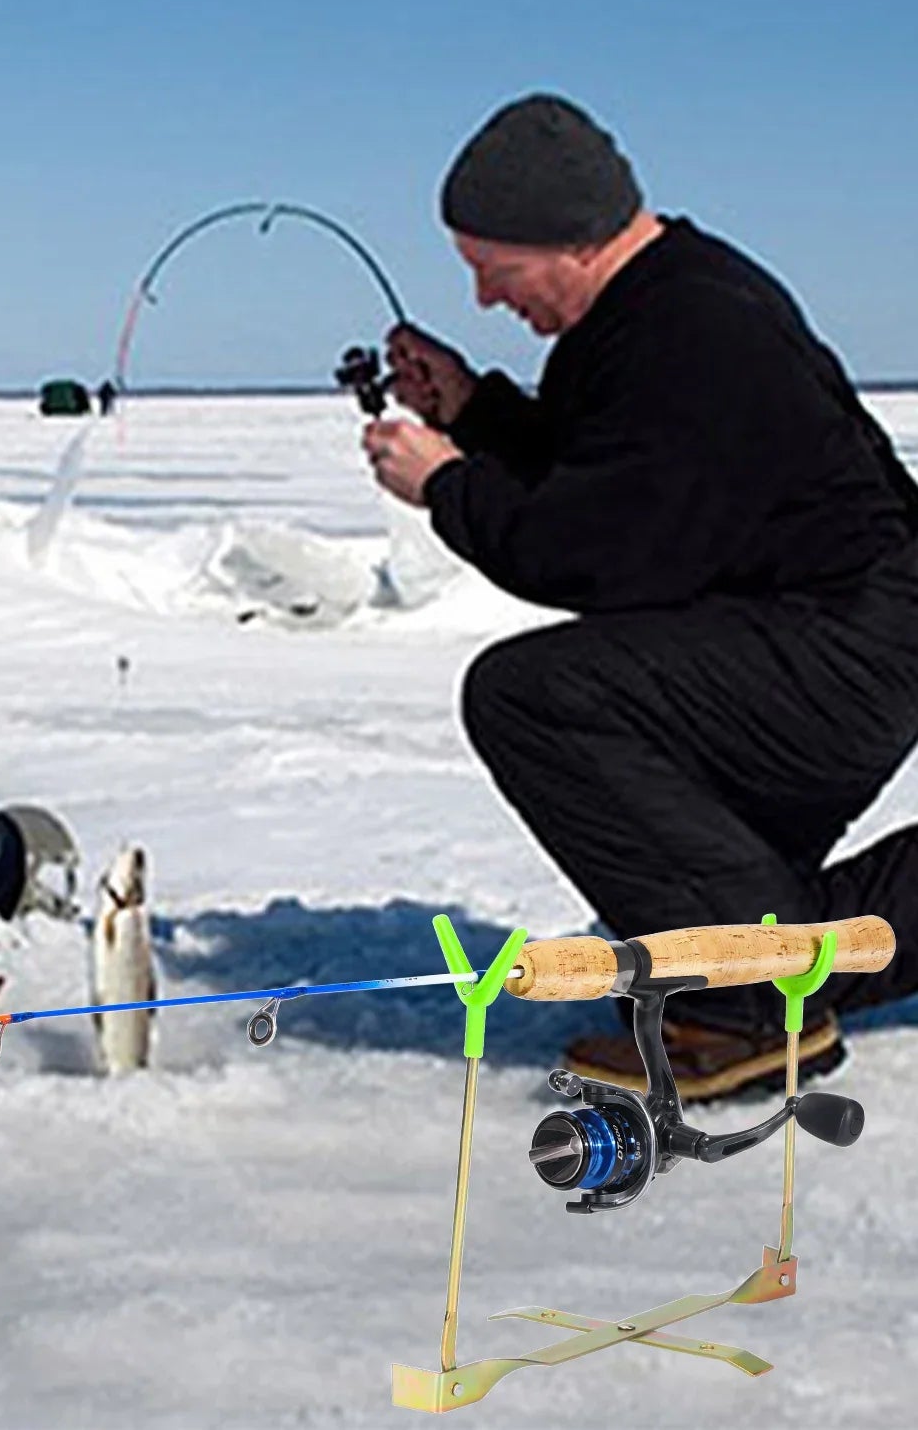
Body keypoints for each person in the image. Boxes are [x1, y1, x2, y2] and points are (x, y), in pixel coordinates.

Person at [363, 93, 918, 1099]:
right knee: (723, 886)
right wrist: (475, 410)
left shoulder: (690, 329)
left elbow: (596, 553)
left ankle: (746, 1012)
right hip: (839, 641)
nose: (488, 299)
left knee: (531, 695)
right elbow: (618, 474)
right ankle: (753, 969)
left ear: (565, 241)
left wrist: (445, 485)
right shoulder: (659, 306)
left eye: (495, 269)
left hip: (843, 653)